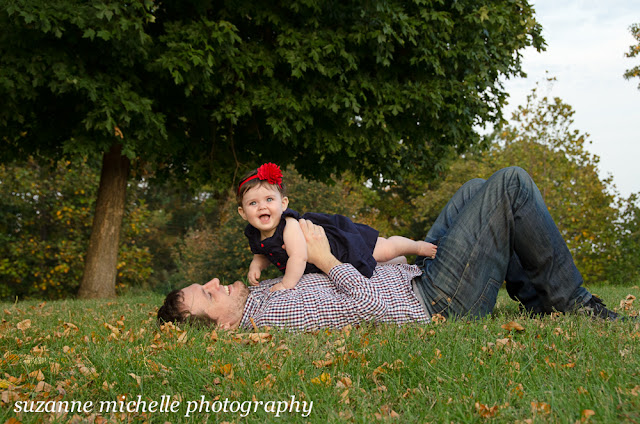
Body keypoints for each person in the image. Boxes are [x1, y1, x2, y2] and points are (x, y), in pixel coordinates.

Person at [157, 167, 627, 331]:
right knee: (511, 184)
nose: (215, 282)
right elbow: (370, 309)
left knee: (474, 189)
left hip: (413, 276)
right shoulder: (271, 313)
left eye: (205, 282)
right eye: (208, 294)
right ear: (222, 326)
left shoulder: (260, 293)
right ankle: (573, 302)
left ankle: (537, 299)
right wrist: (327, 260)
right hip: (434, 301)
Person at [236, 162, 436, 291]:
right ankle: (399, 263)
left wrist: (286, 284)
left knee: (384, 249)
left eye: (269, 199)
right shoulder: (254, 234)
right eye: (253, 203)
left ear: (284, 203)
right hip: (327, 266)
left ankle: (417, 246)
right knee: (372, 266)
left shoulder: (289, 225)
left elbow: (299, 256)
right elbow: (262, 253)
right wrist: (257, 265)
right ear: (243, 212)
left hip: (341, 246)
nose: (262, 206)